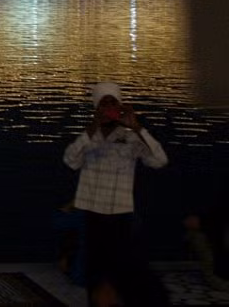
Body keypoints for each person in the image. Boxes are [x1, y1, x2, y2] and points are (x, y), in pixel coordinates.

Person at [63, 82, 169, 306]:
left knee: (123, 267)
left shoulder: (131, 137)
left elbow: (159, 161)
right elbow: (70, 161)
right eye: (104, 104)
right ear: (96, 108)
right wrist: (93, 128)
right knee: (95, 269)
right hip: (93, 213)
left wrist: (138, 127)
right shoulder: (90, 137)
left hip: (121, 213)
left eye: (113, 103)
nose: (109, 108)